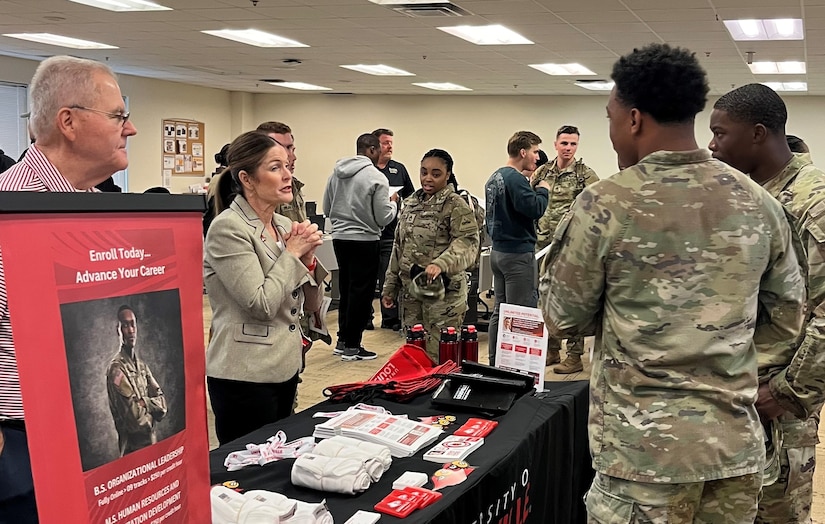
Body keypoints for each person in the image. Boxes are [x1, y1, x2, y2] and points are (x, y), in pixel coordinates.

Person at [539, 43, 806, 523]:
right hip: (733, 448)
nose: (613, 130)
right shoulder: (760, 203)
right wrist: (723, 365)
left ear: (635, 119)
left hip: (641, 456)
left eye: (610, 117)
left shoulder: (605, 204)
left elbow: (563, 316)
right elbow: (787, 321)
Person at [0, 55, 137, 523]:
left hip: (88, 433)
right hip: (21, 445)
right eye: (119, 115)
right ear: (69, 122)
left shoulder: (97, 209)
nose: (130, 128)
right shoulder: (12, 210)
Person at [709, 83, 825, 524]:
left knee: (775, 514)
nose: (712, 144)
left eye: (721, 133)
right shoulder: (748, 195)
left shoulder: (812, 203)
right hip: (735, 395)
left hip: (774, 403)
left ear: (758, 134)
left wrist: (788, 392)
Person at [204, 131, 327, 445]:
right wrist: (292, 255)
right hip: (244, 373)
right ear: (247, 178)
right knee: (247, 468)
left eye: (287, 166)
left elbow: (310, 305)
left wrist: (309, 262)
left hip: (284, 366)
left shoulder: (284, 226)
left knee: (277, 461)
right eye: (275, 168)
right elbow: (260, 303)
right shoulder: (228, 228)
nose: (287, 176)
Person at [381, 149, 479, 359]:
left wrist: (442, 263)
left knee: (440, 355)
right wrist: (390, 286)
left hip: (444, 297)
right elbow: (399, 247)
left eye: (436, 174)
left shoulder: (455, 205)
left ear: (448, 174)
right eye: (424, 172)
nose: (427, 178)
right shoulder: (411, 204)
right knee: (415, 352)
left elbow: (468, 242)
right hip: (412, 294)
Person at [324, 133, 397, 361]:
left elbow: (327, 207)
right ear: (373, 150)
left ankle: (343, 340)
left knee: (346, 290)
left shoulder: (336, 174)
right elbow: (383, 217)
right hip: (365, 240)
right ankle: (353, 346)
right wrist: (393, 204)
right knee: (361, 294)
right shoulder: (376, 177)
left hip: (339, 238)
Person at [532, 125, 599, 373]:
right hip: (542, 245)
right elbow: (531, 203)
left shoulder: (585, 175)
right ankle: (550, 350)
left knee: (571, 301)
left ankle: (573, 355)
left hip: (571, 247)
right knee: (545, 298)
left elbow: (597, 209)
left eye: (573, 144)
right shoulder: (541, 173)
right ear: (555, 144)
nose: (568, 148)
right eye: (564, 143)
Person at [484, 131, 551, 366]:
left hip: (498, 253)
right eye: (534, 152)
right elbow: (535, 208)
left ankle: (495, 363)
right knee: (521, 314)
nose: (537, 157)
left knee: (500, 312)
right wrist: (543, 189)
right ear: (523, 152)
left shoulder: (495, 177)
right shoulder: (516, 180)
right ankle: (518, 369)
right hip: (517, 256)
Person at [106, 305, 166, 456]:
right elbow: (136, 422)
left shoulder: (142, 366)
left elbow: (163, 406)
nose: (130, 330)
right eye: (125, 325)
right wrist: (154, 409)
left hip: (153, 448)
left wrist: (144, 402)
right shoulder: (117, 370)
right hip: (133, 455)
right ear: (118, 330)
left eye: (132, 324)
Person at [372, 128, 415, 331]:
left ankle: (390, 319)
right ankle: (364, 318)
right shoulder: (367, 170)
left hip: (391, 233)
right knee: (365, 280)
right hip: (368, 232)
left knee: (389, 277)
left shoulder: (398, 169)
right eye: (385, 143)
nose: (390, 147)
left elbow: (412, 196)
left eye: (391, 143)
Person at [256, 121, 306, 223]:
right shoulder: (259, 190)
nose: (292, 157)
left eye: (291, 149)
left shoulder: (294, 185)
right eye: (284, 148)